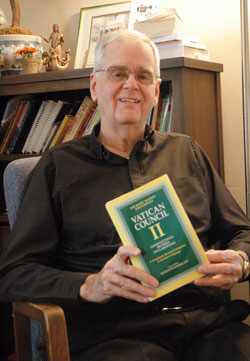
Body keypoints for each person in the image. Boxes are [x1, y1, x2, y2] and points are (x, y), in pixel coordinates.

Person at [1, 29, 250, 361]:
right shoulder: (57, 167)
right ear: (94, 85)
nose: (131, 84)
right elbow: (15, 273)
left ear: (156, 91)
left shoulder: (186, 151)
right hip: (116, 335)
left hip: (208, 325)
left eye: (143, 76)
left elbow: (241, 232)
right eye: (118, 73)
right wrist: (90, 284)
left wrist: (242, 262)